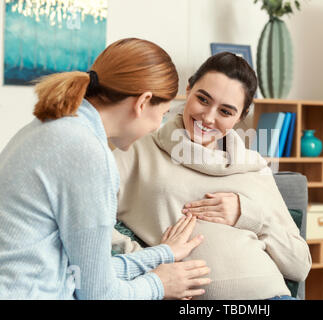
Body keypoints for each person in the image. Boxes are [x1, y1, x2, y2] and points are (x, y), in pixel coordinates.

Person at [0, 38, 211, 300]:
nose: (158, 125)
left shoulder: (52, 126)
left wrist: (163, 254)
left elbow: (85, 271)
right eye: (164, 113)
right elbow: (98, 293)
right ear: (143, 102)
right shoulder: (87, 152)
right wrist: (159, 286)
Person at [112, 52, 312, 300]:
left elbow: (300, 265)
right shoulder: (138, 148)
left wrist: (247, 215)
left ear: (241, 116)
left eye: (226, 112)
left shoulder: (255, 167)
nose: (208, 117)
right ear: (189, 88)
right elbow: (90, 222)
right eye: (203, 99)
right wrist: (154, 264)